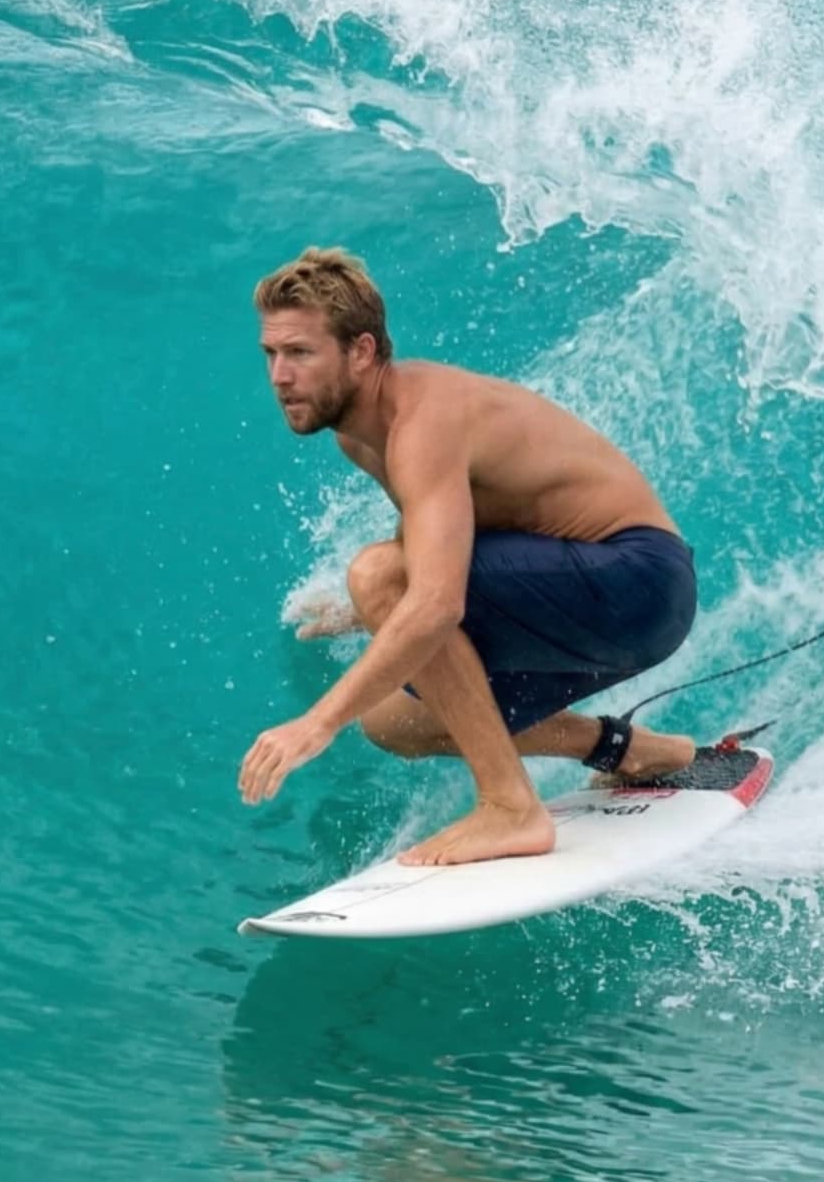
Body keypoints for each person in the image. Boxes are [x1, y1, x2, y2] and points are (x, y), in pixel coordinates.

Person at [237, 246, 700, 867]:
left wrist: (316, 723)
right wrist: (367, 613)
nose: (279, 376)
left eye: (299, 353)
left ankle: (511, 807)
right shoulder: (359, 435)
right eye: (271, 354)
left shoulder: (425, 421)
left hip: (640, 583)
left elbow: (434, 599)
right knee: (393, 722)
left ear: (362, 351)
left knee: (378, 578)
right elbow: (438, 537)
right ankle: (628, 749)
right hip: (596, 598)